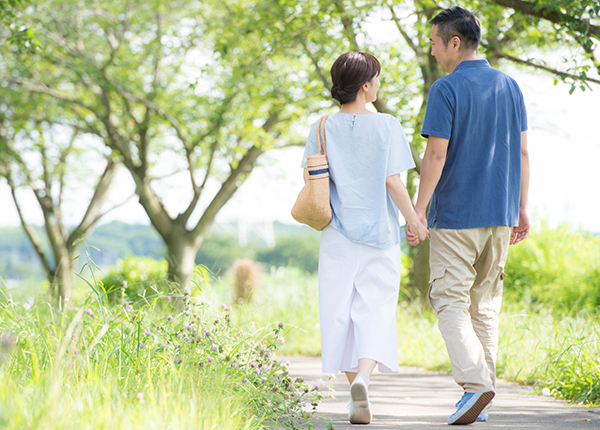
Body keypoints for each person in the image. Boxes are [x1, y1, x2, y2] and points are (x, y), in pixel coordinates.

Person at [406, 6, 530, 425]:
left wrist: (418, 210)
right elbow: (524, 152)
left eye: (436, 43)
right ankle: (481, 403)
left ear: (454, 43)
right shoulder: (510, 86)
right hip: (500, 214)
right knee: (484, 307)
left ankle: (476, 385)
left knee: (448, 299)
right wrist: (522, 206)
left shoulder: (447, 88)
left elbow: (436, 152)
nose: (433, 50)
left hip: (457, 214)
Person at [300, 51, 428, 424]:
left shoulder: (321, 127)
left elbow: (312, 182)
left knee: (338, 312)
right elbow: (393, 182)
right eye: (377, 78)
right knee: (376, 310)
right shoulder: (387, 125)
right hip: (380, 234)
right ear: (366, 85)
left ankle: (353, 386)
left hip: (337, 234)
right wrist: (414, 223)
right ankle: (366, 382)